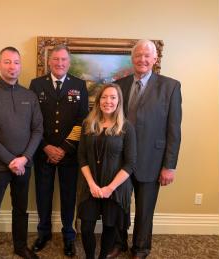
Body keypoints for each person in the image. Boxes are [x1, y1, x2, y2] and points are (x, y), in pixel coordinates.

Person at [108, 39, 182, 259]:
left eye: (147, 55)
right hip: (120, 158)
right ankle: (118, 244)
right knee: (118, 205)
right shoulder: (119, 85)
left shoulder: (170, 86)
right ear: (132, 59)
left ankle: (140, 248)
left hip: (153, 158)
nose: (142, 59)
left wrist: (169, 166)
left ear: (155, 59)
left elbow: (174, 130)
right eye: (138, 55)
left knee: (144, 209)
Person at [0, 46, 43, 259]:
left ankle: (20, 246)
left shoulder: (29, 96)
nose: (12, 66)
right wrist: (10, 160)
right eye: (7, 62)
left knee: (21, 209)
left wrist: (24, 158)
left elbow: (38, 129)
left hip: (24, 164)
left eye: (16, 62)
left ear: (20, 66)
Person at [29, 44, 89, 256]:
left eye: (64, 60)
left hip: (69, 153)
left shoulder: (79, 85)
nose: (60, 63)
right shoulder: (36, 85)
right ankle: (43, 233)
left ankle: (68, 235)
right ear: (49, 61)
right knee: (43, 194)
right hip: (43, 151)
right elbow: (33, 120)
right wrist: (46, 146)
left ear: (69, 62)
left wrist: (63, 148)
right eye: (56, 59)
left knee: (68, 196)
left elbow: (81, 121)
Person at [77, 83, 136, 259]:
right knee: (86, 228)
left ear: (119, 101)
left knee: (110, 227)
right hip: (91, 186)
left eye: (112, 97)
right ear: (98, 100)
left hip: (115, 188)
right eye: (104, 97)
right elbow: (82, 158)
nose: (107, 101)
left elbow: (130, 164)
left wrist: (109, 188)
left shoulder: (126, 128)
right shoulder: (88, 125)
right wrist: (92, 185)